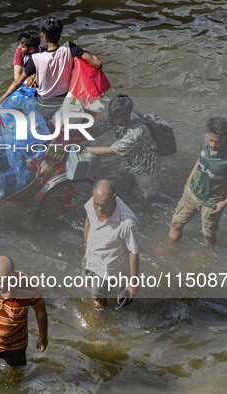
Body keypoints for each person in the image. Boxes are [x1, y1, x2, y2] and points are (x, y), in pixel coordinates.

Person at [161, 117, 227, 247]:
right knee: (176, 223)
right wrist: (189, 178)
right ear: (207, 134)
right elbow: (201, 158)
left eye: (218, 142)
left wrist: (224, 204)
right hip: (192, 192)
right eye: (211, 140)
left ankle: (205, 253)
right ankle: (169, 248)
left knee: (208, 236)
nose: (213, 145)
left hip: (212, 203)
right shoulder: (205, 139)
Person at [0, 16, 102, 119]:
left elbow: (17, 82)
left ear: (44, 36)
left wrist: (0, 100)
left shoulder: (35, 59)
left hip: (43, 104)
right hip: (63, 100)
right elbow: (98, 64)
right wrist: (90, 52)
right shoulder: (70, 48)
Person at [86, 94, 170, 202]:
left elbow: (111, 151)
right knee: (122, 188)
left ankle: (171, 202)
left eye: (114, 116)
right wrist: (75, 138)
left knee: (149, 195)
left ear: (126, 115)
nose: (110, 118)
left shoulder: (137, 132)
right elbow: (101, 129)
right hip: (128, 160)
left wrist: (82, 149)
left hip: (145, 168)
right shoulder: (117, 115)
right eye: (110, 114)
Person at [83, 179, 139, 307]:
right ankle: (111, 293)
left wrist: (134, 281)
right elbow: (88, 222)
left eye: (103, 205)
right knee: (88, 282)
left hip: (107, 267)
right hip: (90, 257)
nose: (98, 208)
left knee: (98, 297)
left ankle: (99, 315)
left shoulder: (127, 222)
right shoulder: (94, 201)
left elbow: (133, 251)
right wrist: (86, 250)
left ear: (114, 198)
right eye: (96, 204)